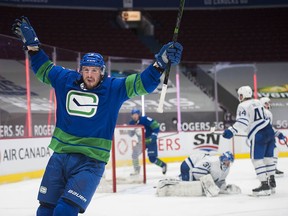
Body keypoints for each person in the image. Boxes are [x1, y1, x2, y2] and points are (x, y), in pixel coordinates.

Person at [12, 16, 183, 215]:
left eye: (94, 70)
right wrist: (33, 48)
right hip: (60, 157)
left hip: (90, 162)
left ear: (102, 72)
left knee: (64, 211)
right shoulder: (65, 79)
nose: (90, 74)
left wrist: (159, 64)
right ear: (80, 70)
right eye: (86, 70)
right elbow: (44, 69)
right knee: (45, 210)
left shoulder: (114, 88)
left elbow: (142, 83)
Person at [222, 86, 275, 196]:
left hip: (259, 134)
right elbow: (264, 116)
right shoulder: (258, 102)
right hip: (269, 130)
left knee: (257, 160)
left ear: (243, 95)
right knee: (268, 158)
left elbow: (243, 122)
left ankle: (265, 186)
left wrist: (231, 131)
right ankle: (271, 181)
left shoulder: (242, 105)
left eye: (240, 95)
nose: (239, 97)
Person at [129, 108, 167, 175]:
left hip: (150, 141)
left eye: (136, 114)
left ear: (139, 115)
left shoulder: (144, 119)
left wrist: (154, 136)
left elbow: (156, 126)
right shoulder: (131, 123)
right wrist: (130, 131)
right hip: (142, 142)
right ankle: (137, 170)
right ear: (131, 116)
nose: (134, 116)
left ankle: (163, 165)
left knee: (152, 159)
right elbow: (131, 135)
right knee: (134, 154)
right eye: (133, 115)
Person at [260, 97, 286, 177]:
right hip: (266, 136)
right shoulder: (267, 113)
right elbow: (268, 127)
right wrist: (278, 134)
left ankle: (269, 169)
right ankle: (271, 169)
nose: (269, 104)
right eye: (268, 103)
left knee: (270, 152)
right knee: (273, 151)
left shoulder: (259, 112)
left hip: (261, 136)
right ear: (264, 104)